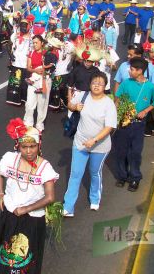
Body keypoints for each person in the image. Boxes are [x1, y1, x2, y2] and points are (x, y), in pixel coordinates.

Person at [0, 119, 58, 274]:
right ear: (18, 146)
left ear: (39, 146)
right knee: (4, 254)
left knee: (27, 261)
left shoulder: (45, 168)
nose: (29, 151)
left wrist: (26, 208)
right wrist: (1, 193)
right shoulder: (9, 159)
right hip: (9, 215)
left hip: (32, 219)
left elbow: (50, 197)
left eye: (32, 146)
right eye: (24, 147)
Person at [63, 73, 117, 216]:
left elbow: (109, 127)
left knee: (94, 172)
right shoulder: (83, 96)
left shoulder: (108, 103)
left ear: (105, 86)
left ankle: (95, 198)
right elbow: (69, 105)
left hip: (100, 146)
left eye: (100, 83)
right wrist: (75, 107)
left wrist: (94, 140)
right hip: (80, 142)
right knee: (75, 174)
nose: (96, 85)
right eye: (94, 82)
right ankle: (68, 207)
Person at [114, 57, 154, 191]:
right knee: (121, 151)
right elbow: (117, 98)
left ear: (140, 71)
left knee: (135, 152)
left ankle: (135, 177)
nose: (130, 71)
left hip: (138, 124)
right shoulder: (126, 83)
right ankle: (122, 176)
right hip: (124, 122)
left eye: (133, 69)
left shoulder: (150, 87)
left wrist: (145, 111)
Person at [24, 35, 59, 131]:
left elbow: (51, 66)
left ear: (42, 43)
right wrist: (35, 71)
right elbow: (28, 67)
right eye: (33, 43)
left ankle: (39, 123)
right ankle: (28, 122)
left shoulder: (48, 54)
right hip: (33, 80)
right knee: (30, 103)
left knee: (42, 103)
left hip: (45, 80)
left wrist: (45, 71)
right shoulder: (31, 53)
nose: (35, 45)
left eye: (37, 43)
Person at [6, 19, 32, 105]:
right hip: (16, 63)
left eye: (25, 26)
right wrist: (11, 56)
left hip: (26, 64)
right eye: (21, 26)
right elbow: (8, 45)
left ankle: (23, 99)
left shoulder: (32, 37)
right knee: (15, 82)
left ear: (29, 27)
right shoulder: (15, 35)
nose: (23, 28)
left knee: (24, 84)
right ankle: (13, 99)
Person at [49, 29, 74, 111]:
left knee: (59, 88)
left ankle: (61, 105)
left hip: (64, 71)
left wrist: (71, 63)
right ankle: (58, 104)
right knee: (56, 88)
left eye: (60, 34)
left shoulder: (68, 45)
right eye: (56, 34)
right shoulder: (51, 44)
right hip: (54, 71)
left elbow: (74, 54)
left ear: (63, 36)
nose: (58, 36)